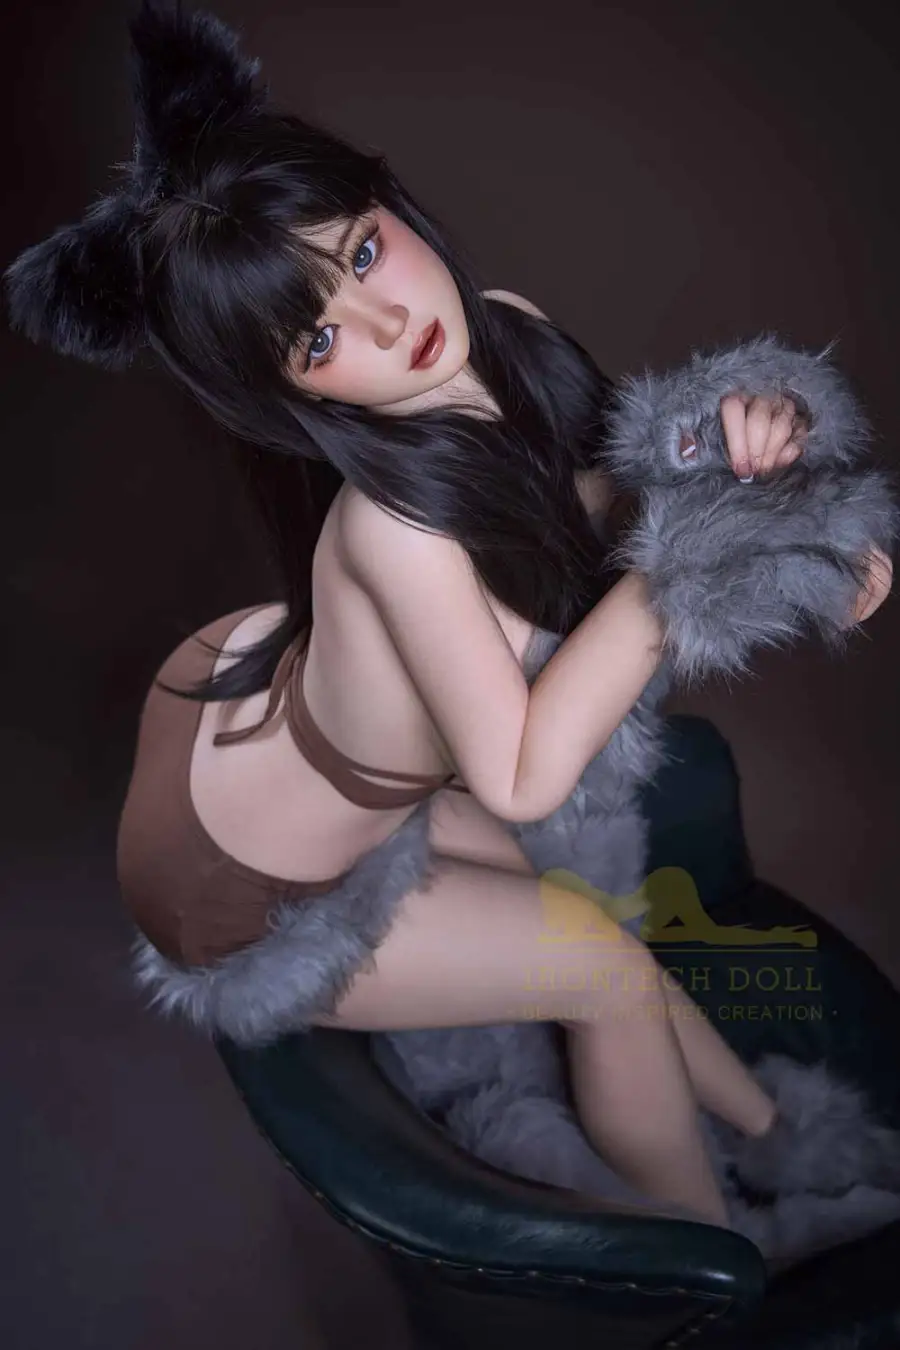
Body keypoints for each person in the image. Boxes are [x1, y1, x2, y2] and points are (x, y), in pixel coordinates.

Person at [5, 2, 891, 1230]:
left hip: (267, 710)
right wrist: (704, 558)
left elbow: (614, 500)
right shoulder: (393, 531)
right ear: (287, 392)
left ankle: (785, 1137)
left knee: (577, 920)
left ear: (393, 203)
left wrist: (761, 455)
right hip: (241, 879)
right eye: (320, 336)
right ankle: (723, 1264)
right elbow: (524, 774)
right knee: (599, 969)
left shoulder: (505, 330)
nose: (388, 323)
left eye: (364, 253)